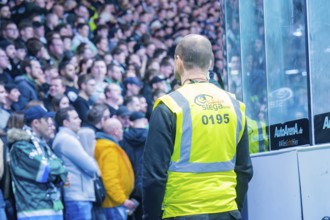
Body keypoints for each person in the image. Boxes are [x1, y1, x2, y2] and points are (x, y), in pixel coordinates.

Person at [142, 34, 253, 220]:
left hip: (182, 212)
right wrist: (233, 208)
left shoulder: (169, 106)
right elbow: (244, 169)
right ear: (210, 62)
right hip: (227, 210)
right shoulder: (235, 105)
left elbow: (153, 176)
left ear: (178, 61)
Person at [8, 105, 68, 220]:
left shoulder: (43, 145)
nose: (51, 124)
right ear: (36, 123)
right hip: (34, 211)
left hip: (53, 208)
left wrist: (59, 173)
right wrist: (59, 172)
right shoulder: (21, 147)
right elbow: (46, 168)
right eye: (46, 120)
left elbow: (62, 166)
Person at [52, 106, 100, 220]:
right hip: (77, 195)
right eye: (75, 118)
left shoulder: (66, 138)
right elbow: (91, 166)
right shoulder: (67, 140)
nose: (80, 120)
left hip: (78, 195)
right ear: (66, 123)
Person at [94, 118, 136, 220]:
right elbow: (110, 179)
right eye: (121, 129)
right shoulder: (109, 149)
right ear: (116, 131)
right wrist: (122, 200)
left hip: (114, 203)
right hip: (113, 204)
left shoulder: (105, 146)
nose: (122, 131)